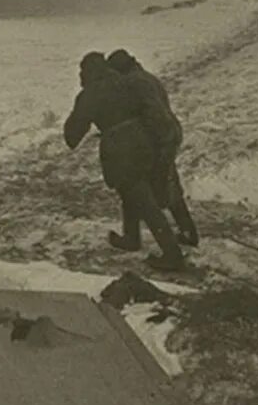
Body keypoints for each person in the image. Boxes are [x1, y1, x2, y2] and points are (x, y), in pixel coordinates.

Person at [64, 52, 185, 271]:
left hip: (120, 150)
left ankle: (172, 254)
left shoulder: (89, 94)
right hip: (145, 142)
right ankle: (131, 237)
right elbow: (150, 109)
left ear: (89, 72)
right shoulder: (128, 82)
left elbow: (72, 136)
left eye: (82, 72)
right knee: (130, 191)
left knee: (142, 199)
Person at [107, 49, 199, 248]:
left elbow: (152, 113)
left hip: (158, 138)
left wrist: (148, 140)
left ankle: (132, 238)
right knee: (169, 184)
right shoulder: (147, 77)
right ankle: (188, 232)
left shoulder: (133, 83)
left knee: (133, 186)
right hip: (169, 134)